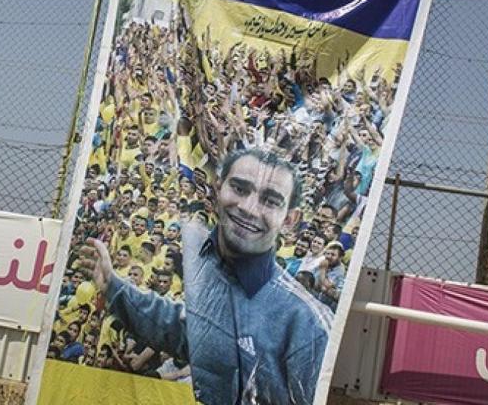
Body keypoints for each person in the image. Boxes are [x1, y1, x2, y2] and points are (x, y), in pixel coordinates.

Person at [84, 148, 332, 405]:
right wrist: (112, 285)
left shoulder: (309, 325)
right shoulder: (213, 277)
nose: (249, 208)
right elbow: (180, 328)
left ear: (290, 219)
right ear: (216, 189)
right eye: (239, 188)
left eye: (270, 201)